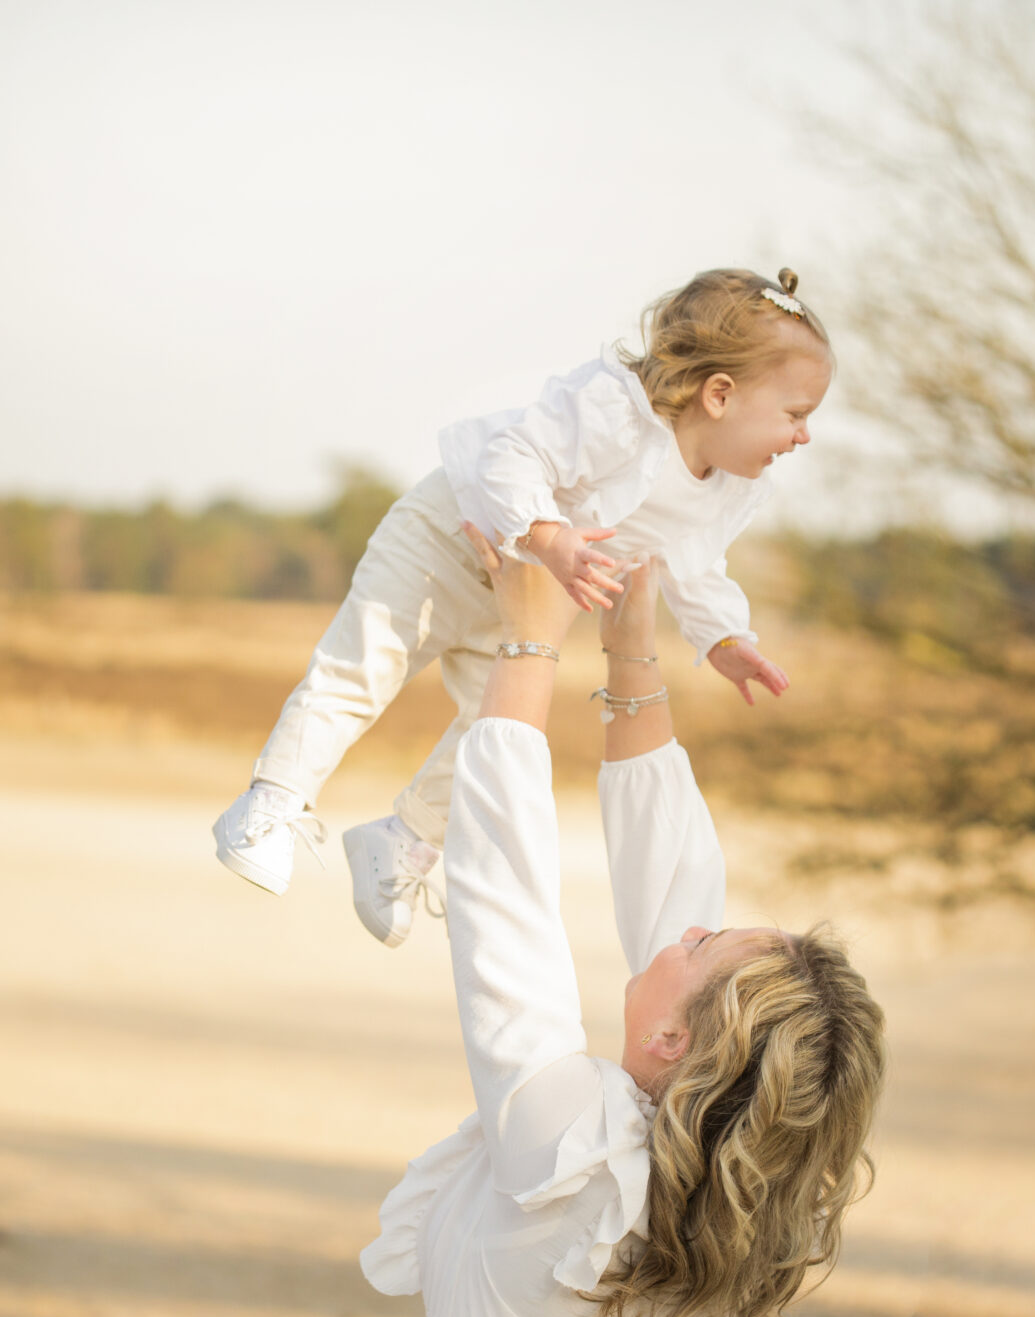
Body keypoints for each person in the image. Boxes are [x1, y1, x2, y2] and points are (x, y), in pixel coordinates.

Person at [360, 529, 886, 1317]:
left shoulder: (566, 1138)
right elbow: (672, 893)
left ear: (666, 1044)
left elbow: (502, 895)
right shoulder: (744, 1159)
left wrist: (528, 639)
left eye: (701, 944)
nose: (685, 924)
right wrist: (634, 650)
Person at [211, 267, 833, 948]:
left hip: (524, 603)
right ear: (719, 395)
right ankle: (271, 803)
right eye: (795, 414)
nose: (802, 436)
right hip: (451, 538)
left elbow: (695, 565)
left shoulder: (729, 490)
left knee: (496, 732)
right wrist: (547, 536)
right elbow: (513, 455)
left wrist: (723, 639)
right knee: (363, 665)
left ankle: (404, 838)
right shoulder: (615, 413)